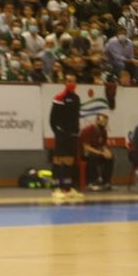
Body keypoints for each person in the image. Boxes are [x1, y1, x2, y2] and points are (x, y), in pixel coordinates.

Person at [49, 73, 83, 201]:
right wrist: (57, 131)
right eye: (68, 81)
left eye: (73, 81)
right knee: (58, 159)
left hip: (73, 134)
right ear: (65, 83)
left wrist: (76, 131)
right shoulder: (59, 97)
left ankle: (67, 188)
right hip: (61, 133)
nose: (71, 83)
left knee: (69, 160)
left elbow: (75, 117)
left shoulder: (76, 98)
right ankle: (56, 187)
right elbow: (52, 118)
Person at [80, 112, 114, 191]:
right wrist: (100, 153)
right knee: (93, 156)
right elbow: (86, 147)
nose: (104, 124)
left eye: (105, 122)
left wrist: (107, 152)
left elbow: (103, 145)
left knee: (110, 158)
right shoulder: (87, 130)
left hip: (98, 152)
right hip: (85, 153)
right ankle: (92, 182)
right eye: (102, 122)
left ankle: (106, 182)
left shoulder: (103, 131)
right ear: (97, 121)